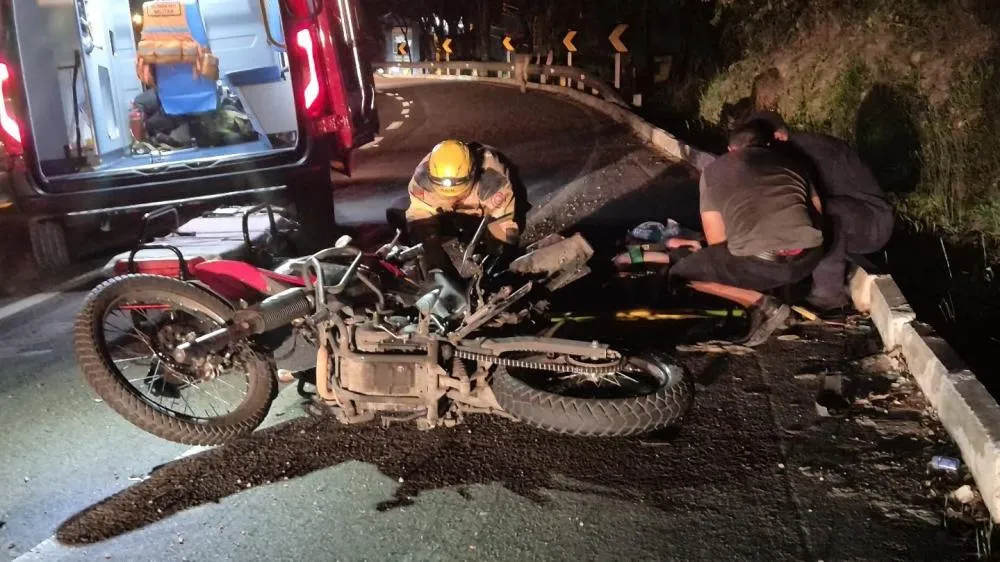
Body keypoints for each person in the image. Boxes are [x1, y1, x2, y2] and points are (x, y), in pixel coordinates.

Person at [616, 120, 825, 347]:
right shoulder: (793, 163)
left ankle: (764, 305)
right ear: (767, 144)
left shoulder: (715, 170)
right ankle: (778, 299)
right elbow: (817, 215)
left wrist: (696, 249)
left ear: (730, 150)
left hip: (763, 264)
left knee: (681, 275)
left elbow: (718, 242)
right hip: (808, 259)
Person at [744, 111, 895, 310]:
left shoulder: (811, 151)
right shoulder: (787, 152)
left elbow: (812, 207)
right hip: (850, 218)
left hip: (872, 222)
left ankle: (829, 296)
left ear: (778, 136)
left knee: (817, 216)